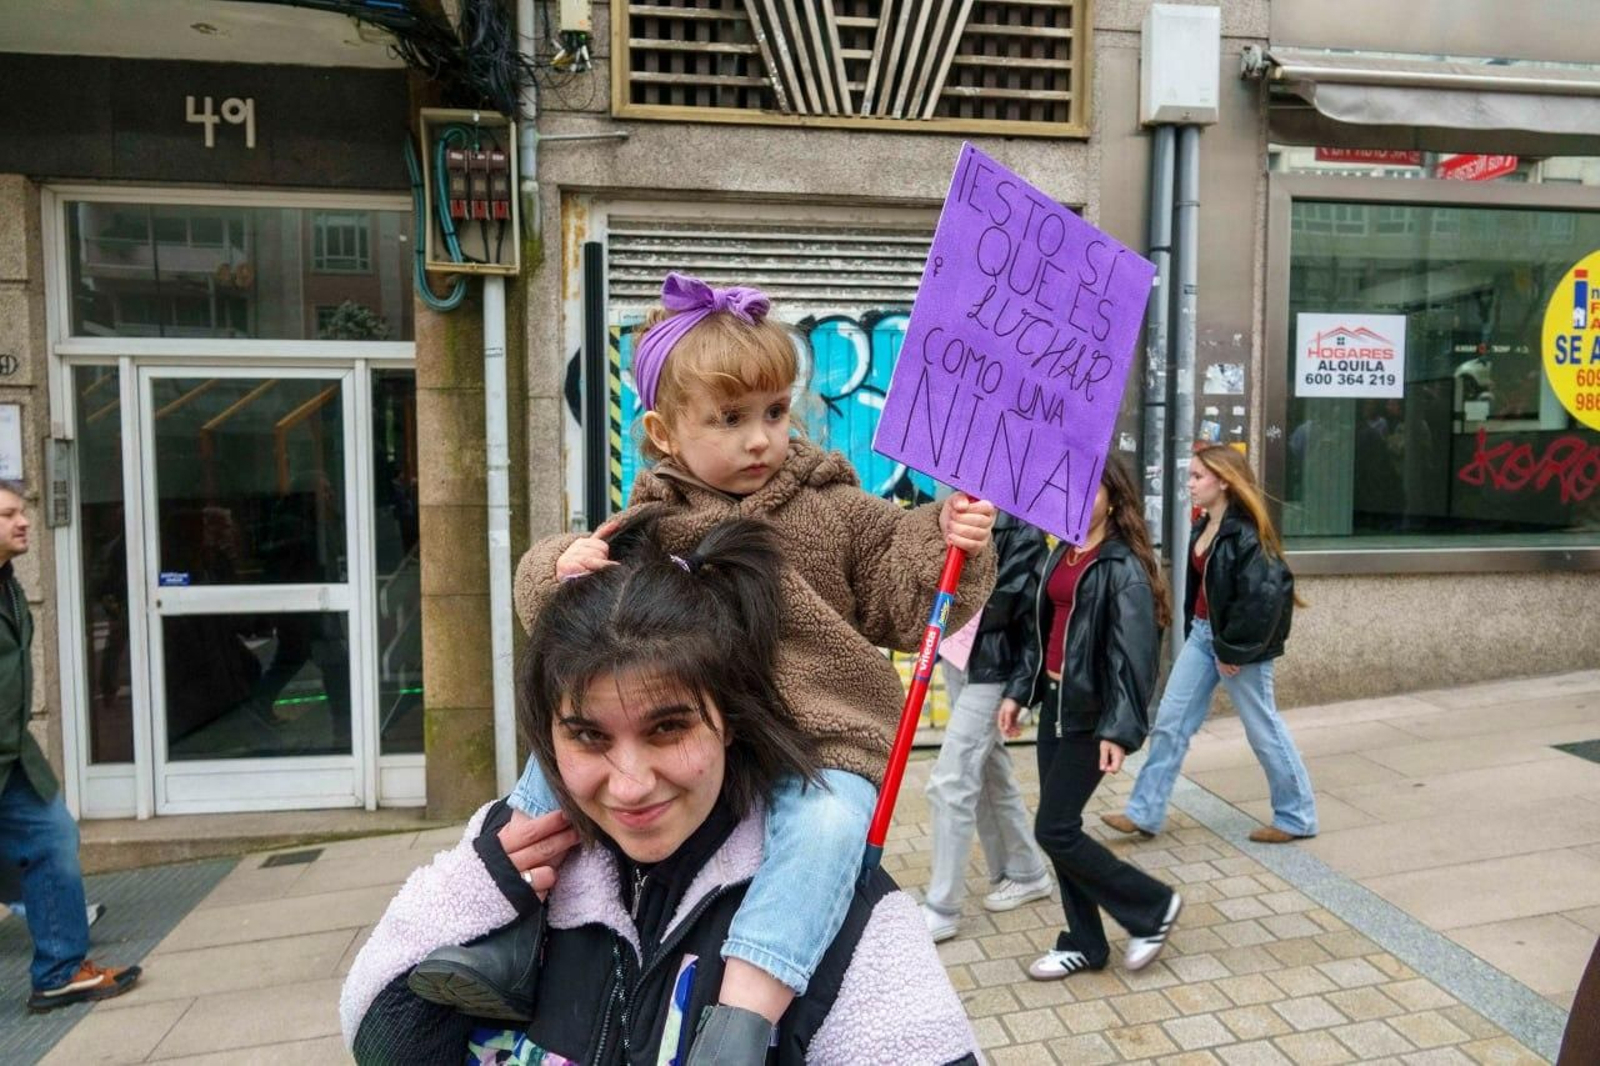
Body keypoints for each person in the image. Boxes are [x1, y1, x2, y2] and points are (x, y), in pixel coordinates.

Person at [411, 272, 996, 1051]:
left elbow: (904, 600)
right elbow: (567, 618)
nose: (760, 439)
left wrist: (947, 538)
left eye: (775, 412)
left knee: (827, 833)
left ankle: (743, 1014)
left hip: (817, 739)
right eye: (729, 419)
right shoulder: (650, 524)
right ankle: (507, 935)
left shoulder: (836, 511)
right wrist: (561, 566)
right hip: (685, 737)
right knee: (555, 762)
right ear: (662, 432)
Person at [339, 517, 980, 1064]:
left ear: (729, 719)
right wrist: (474, 891)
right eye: (588, 735)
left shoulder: (843, 912)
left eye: (668, 728)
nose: (630, 785)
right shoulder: (503, 864)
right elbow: (385, 1042)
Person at [1001, 457, 1182, 980]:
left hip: (1092, 713)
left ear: (1114, 498)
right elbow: (1042, 634)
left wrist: (1118, 730)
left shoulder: (1121, 566)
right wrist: (1020, 692)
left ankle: (1153, 907)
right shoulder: (1062, 552)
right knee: (1062, 829)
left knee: (1054, 829)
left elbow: (1134, 658)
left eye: (1090, 487)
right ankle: (1085, 942)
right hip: (1056, 705)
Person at [1102, 445, 1317, 844]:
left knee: (1263, 728)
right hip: (1204, 636)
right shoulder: (1203, 527)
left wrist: (1233, 649)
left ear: (1224, 481)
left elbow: (1265, 599)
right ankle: (1144, 812)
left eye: (1198, 476)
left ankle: (1296, 816)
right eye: (1190, 476)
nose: (1190, 484)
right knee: (1171, 722)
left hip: (1239, 645)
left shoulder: (1246, 534)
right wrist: (1205, 637)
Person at [0, 481, 141, 1011]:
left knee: (53, 837)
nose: (23, 522)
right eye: (8, 514)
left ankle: (60, 971)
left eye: (22, 512)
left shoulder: (10, 587)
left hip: (14, 758)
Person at [921, 510, 1053, 943]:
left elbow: (1027, 614)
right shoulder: (953, 512)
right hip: (957, 658)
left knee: (951, 780)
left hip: (995, 668)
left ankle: (942, 906)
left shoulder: (1023, 530)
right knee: (990, 773)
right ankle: (1027, 872)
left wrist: (1019, 690)